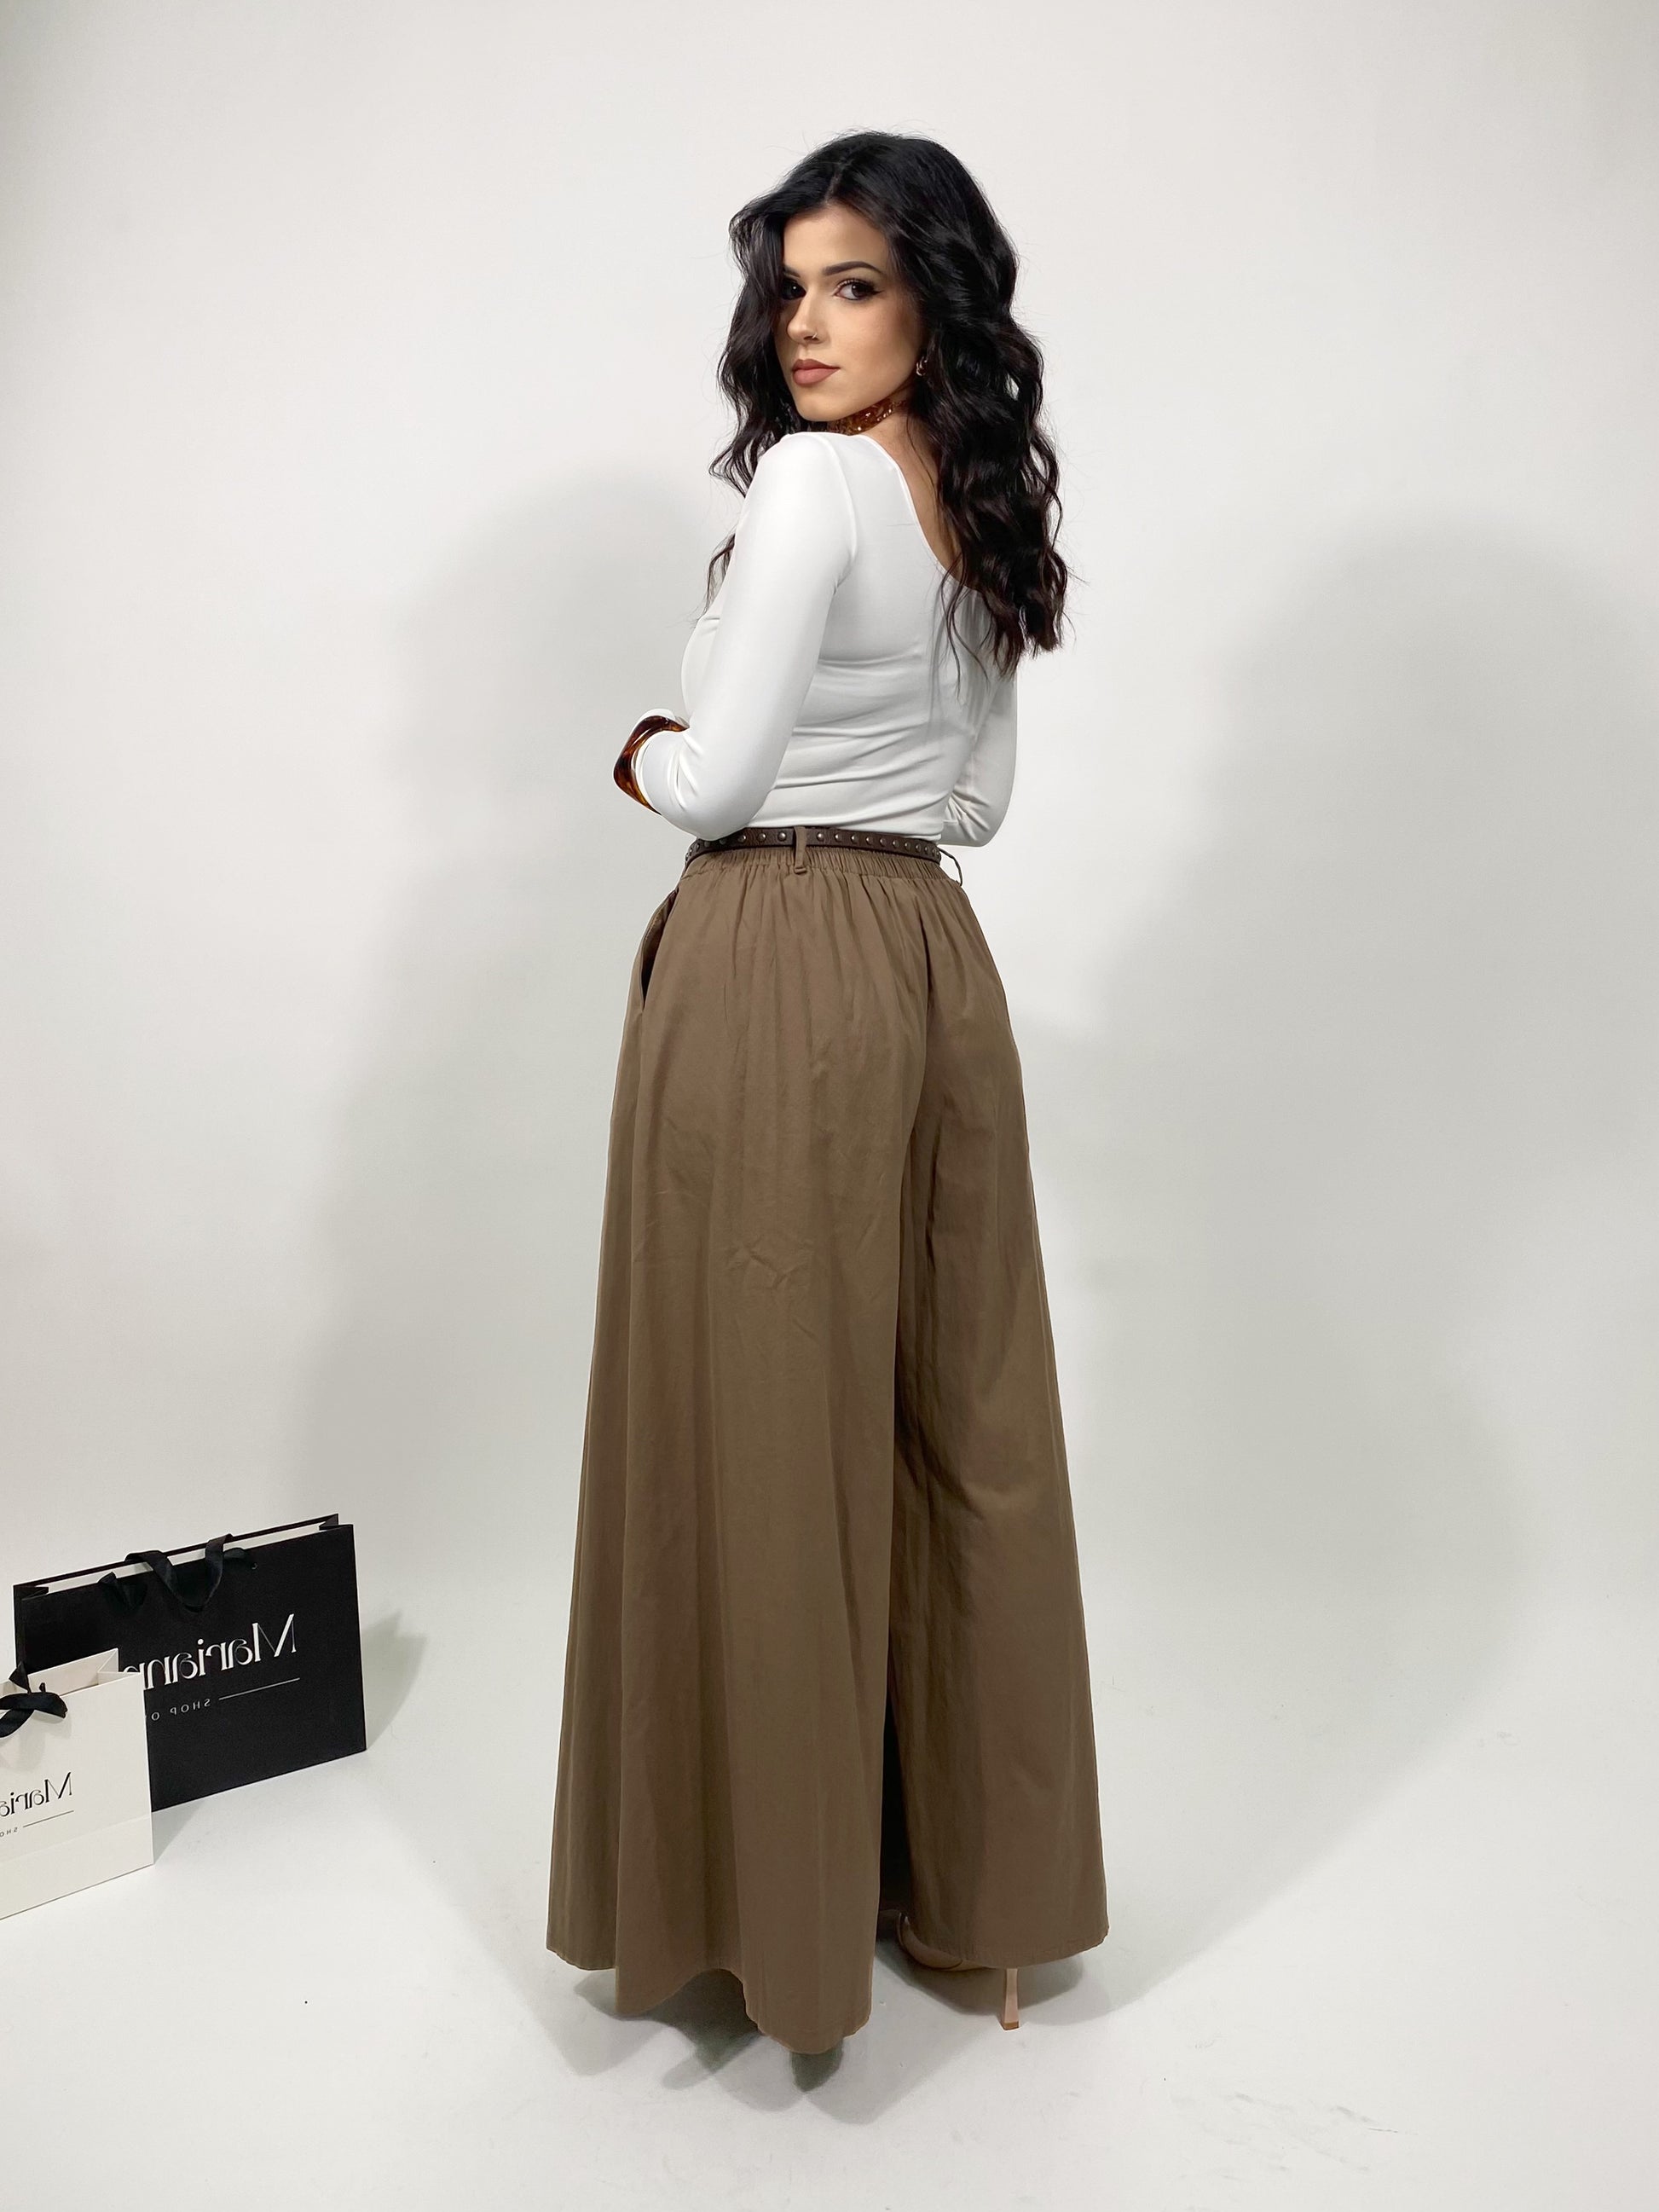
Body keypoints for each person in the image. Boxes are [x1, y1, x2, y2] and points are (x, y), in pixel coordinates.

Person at [546, 129, 1108, 2057]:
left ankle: (769, 1927)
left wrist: (638, 746)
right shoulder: (976, 498)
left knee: (763, 1428)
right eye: (788, 288)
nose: (803, 323)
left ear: (931, 301)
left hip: (772, 952)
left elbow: (712, 779)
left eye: (851, 285)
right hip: (931, 957)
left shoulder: (808, 484)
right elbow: (976, 803)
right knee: (964, 1418)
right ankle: (985, 1906)